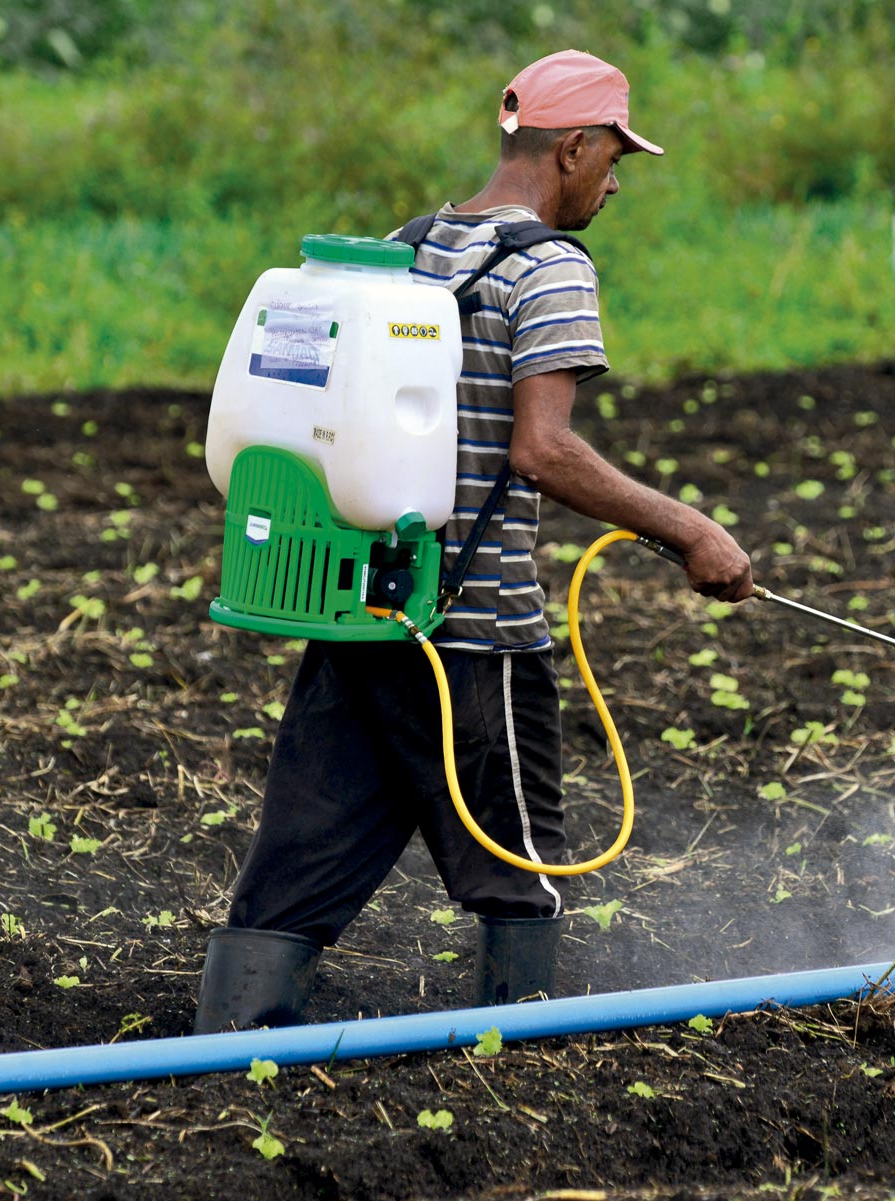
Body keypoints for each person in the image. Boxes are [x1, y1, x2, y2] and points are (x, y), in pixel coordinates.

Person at [194, 49, 753, 1033]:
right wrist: (689, 529)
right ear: (569, 148)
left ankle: (226, 1061)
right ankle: (523, 1085)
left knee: (295, 871)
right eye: (615, 157)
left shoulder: (410, 247)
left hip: (365, 609)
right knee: (522, 877)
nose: (617, 180)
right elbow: (543, 451)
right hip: (476, 633)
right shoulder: (551, 267)